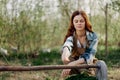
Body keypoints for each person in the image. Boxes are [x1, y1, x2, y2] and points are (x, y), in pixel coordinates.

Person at [61, 10, 98, 77]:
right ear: (73, 23)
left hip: (88, 64)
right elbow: (67, 45)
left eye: (81, 21)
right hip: (74, 65)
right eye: (76, 21)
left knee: (87, 75)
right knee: (67, 58)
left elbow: (90, 55)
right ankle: (75, 76)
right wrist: (65, 57)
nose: (79, 23)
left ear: (85, 22)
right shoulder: (71, 38)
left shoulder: (93, 36)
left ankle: (86, 75)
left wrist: (72, 64)